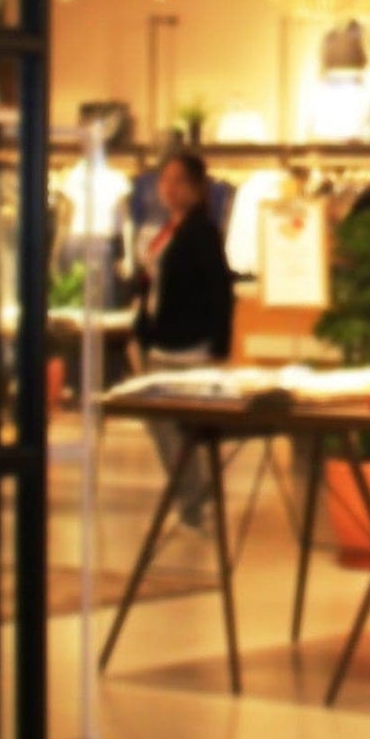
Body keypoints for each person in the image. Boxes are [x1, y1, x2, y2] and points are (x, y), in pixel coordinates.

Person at [131, 148, 235, 529]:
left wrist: (219, 344)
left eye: (178, 181)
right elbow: (154, 284)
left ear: (196, 187)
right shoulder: (167, 231)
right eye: (165, 180)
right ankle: (193, 496)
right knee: (162, 425)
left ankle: (195, 497)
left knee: (179, 428)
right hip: (161, 341)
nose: (169, 188)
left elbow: (219, 291)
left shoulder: (201, 232)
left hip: (189, 346)